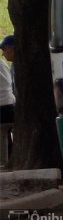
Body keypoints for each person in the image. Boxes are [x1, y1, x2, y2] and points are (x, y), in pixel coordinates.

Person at [0, 35, 15, 167]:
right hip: (11, 105)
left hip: (3, 108)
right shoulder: (4, 64)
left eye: (5, 49)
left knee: (3, 134)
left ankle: (4, 163)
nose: (3, 53)